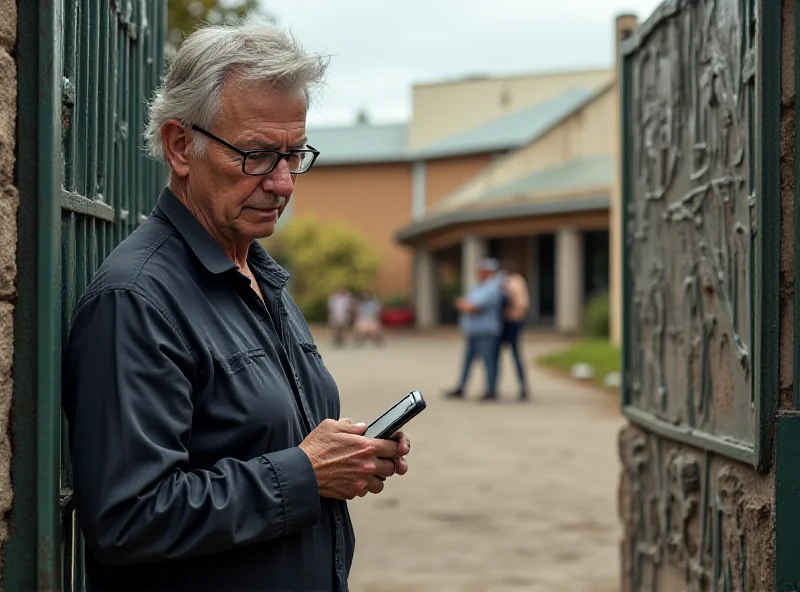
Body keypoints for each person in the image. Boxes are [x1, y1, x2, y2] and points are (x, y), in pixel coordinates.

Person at [61, 19, 411, 592]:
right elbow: (128, 519)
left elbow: (264, 440)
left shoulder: (256, 273)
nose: (283, 183)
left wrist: (346, 453)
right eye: (256, 155)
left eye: (294, 154)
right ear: (180, 146)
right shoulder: (137, 300)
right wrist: (305, 473)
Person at [444, 258, 505, 401]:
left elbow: (473, 306)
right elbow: (465, 303)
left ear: (489, 271)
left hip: (487, 331)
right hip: (473, 331)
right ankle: (461, 388)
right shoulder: (478, 286)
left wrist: (464, 304)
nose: (479, 273)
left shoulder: (493, 287)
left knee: (489, 362)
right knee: (467, 362)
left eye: (482, 270)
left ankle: (491, 390)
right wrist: (464, 304)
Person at [496, 259, 531, 400]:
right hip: (501, 323)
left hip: (513, 322)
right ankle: (493, 388)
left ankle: (523, 388)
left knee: (515, 355)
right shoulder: (500, 282)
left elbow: (522, 304)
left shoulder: (516, 282)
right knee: (495, 357)